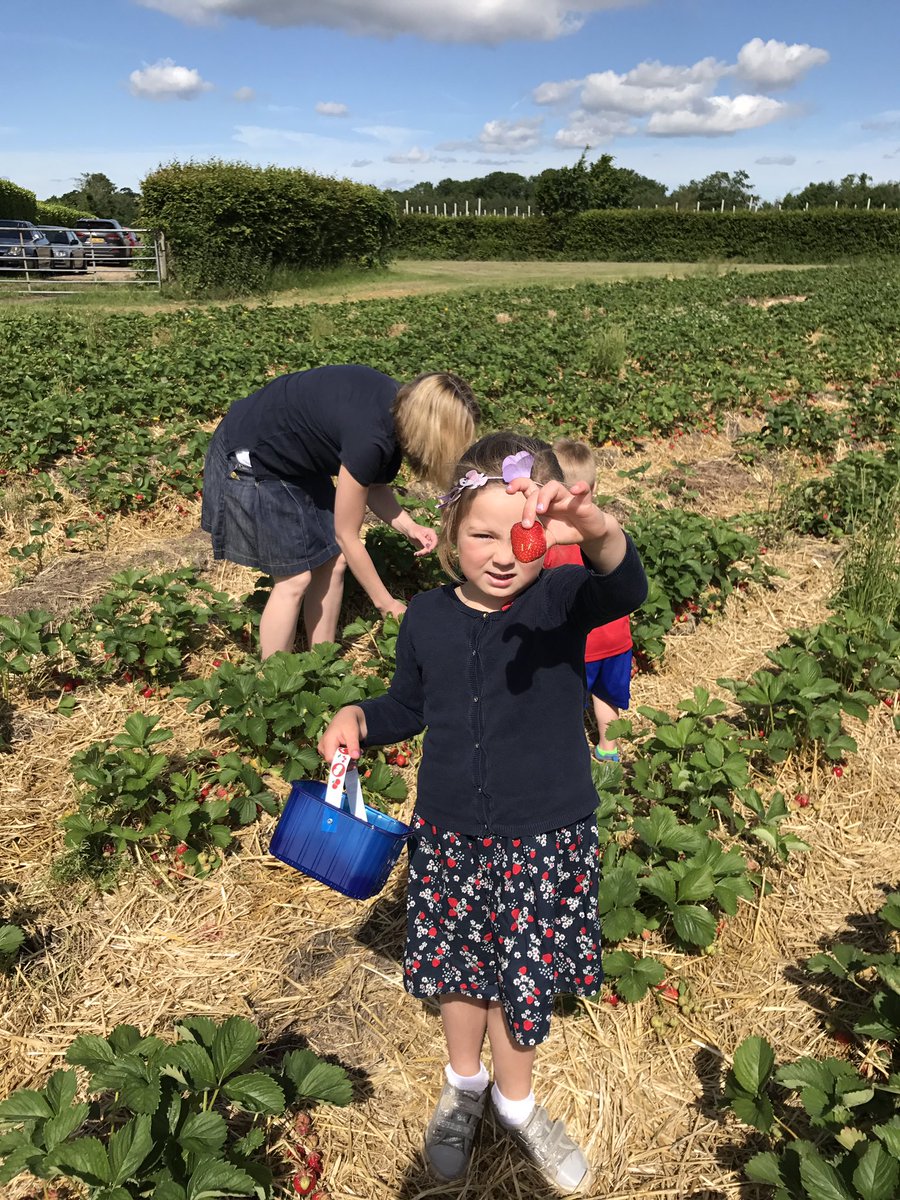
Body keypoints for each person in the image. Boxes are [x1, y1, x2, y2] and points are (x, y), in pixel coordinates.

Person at [318, 432, 647, 1192]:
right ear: (449, 535)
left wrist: (593, 526)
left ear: (548, 535)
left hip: (544, 834)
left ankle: (518, 1101)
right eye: (481, 535)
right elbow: (406, 705)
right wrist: (358, 718)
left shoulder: (560, 600)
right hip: (453, 832)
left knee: (521, 974)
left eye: (521, 535)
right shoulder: (427, 619)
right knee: (463, 972)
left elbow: (625, 588)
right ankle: (463, 1088)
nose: (503, 554)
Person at [201, 364, 480, 658]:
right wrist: (386, 604)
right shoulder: (371, 438)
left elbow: (371, 485)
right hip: (252, 453)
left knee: (333, 562)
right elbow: (347, 535)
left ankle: (321, 662)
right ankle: (274, 684)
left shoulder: (396, 410)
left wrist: (409, 527)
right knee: (295, 579)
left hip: (293, 457)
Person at [545, 439, 634, 766]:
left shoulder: (552, 541)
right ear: (593, 487)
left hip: (576, 645)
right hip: (615, 639)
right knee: (606, 696)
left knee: (565, 697)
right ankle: (608, 749)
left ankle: (568, 750)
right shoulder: (607, 533)